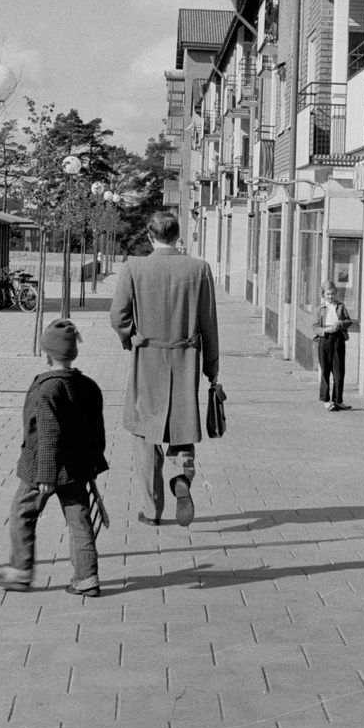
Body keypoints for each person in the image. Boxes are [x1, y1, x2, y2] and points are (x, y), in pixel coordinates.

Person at [110, 211, 219, 528]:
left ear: (149, 236)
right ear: (178, 235)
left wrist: (130, 337)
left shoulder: (134, 268)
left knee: (145, 432)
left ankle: (152, 509)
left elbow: (118, 315)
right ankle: (182, 474)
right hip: (185, 357)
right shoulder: (199, 268)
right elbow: (209, 323)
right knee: (181, 425)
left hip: (148, 357)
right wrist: (211, 367)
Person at [0, 320, 108, 595]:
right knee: (79, 520)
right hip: (77, 468)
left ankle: (20, 571)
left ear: (47, 354)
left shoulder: (47, 389)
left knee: (22, 512)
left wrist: (46, 474)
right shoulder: (89, 386)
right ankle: (87, 577)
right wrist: (92, 463)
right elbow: (97, 431)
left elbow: (48, 433)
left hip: (41, 468)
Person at [312, 280, 353, 411]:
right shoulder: (319, 309)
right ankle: (326, 400)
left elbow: (348, 321)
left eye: (332, 294)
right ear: (323, 294)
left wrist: (341, 323)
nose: (330, 296)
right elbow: (314, 327)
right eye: (328, 294)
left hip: (338, 339)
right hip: (325, 339)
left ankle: (338, 400)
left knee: (339, 371)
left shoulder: (340, 306)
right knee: (325, 370)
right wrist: (325, 330)